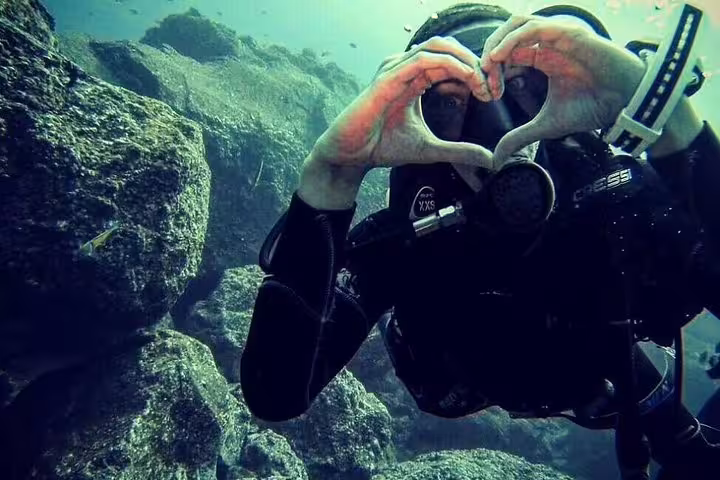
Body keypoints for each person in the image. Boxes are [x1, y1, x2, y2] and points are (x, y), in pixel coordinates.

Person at [240, 3, 720, 479]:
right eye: (448, 103)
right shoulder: (404, 241)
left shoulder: (619, 201)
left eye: (525, 86)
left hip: (612, 377)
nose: (498, 131)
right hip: (454, 383)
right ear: (416, 119)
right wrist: (333, 175)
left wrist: (666, 118)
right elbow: (276, 392)